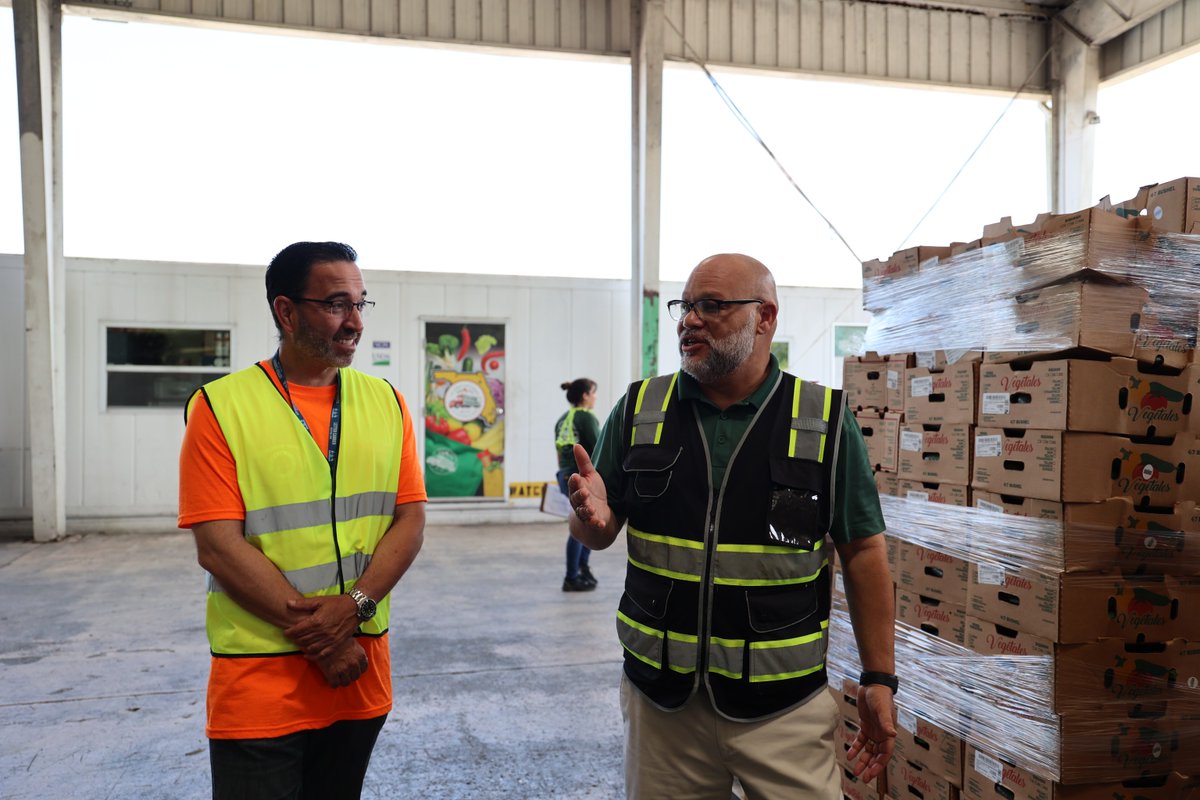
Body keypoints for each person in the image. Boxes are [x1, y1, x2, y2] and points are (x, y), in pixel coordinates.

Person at [567, 253, 896, 799]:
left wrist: (878, 678)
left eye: (711, 306)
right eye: (685, 305)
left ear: (764, 317)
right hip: (662, 711)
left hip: (783, 711)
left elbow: (863, 553)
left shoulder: (824, 421)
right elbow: (596, 531)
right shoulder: (639, 410)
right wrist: (590, 518)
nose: (689, 320)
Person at [177, 241, 427, 799]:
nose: (355, 322)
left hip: (359, 674)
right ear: (286, 311)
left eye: (362, 304)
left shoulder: (387, 402)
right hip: (262, 683)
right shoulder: (220, 407)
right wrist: (326, 640)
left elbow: (409, 522)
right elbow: (218, 547)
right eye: (337, 304)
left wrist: (354, 609)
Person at [555, 377, 601, 591]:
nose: (595, 397)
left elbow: (559, 453)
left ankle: (581, 569)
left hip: (565, 475)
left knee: (584, 523)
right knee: (581, 526)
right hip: (581, 477)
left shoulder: (562, 419)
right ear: (585, 395)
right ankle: (572, 576)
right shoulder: (586, 418)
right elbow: (599, 450)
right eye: (593, 392)